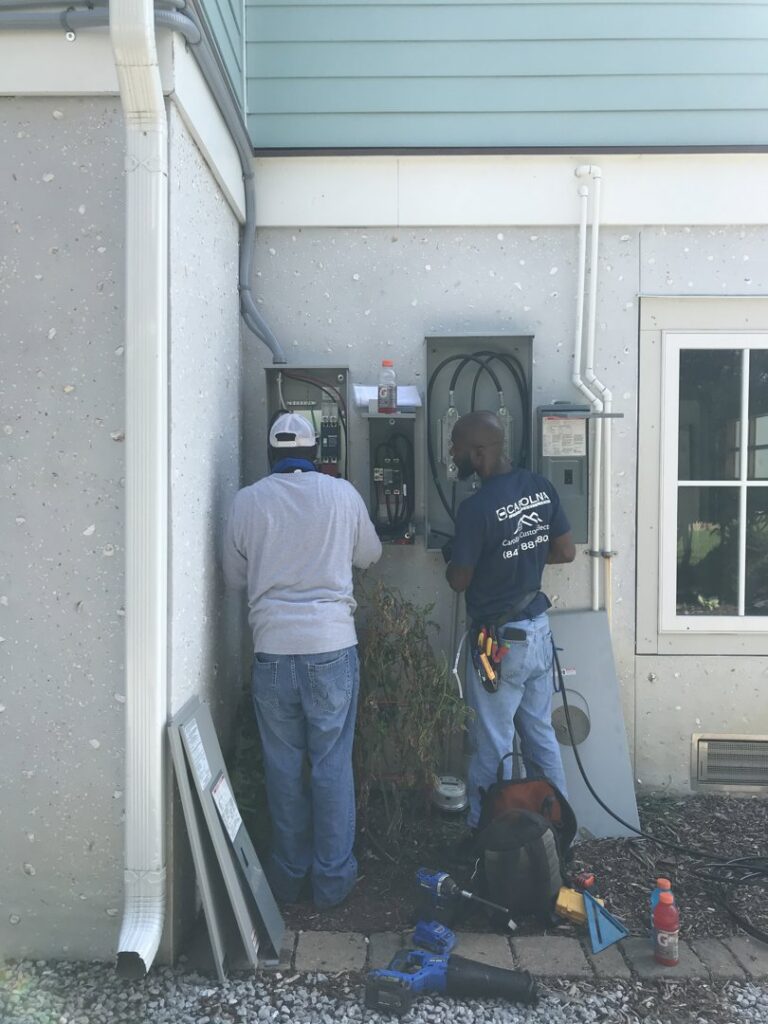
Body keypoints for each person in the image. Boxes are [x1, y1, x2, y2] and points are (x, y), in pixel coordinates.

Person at [222, 411, 382, 909]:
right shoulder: (342, 494)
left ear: (271, 454)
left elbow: (233, 580)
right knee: (332, 765)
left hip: (272, 650)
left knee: (283, 767)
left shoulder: (247, 502)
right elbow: (370, 555)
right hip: (331, 649)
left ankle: (288, 876)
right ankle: (332, 882)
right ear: (317, 454)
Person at [444, 410, 575, 839]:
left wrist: (457, 557)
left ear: (478, 453)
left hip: (498, 642)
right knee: (540, 734)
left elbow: (459, 581)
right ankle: (558, 830)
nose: (452, 455)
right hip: (537, 630)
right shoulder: (540, 487)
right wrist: (522, 560)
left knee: (493, 741)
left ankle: (486, 834)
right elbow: (565, 551)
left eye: (457, 449)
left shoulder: (475, 508)